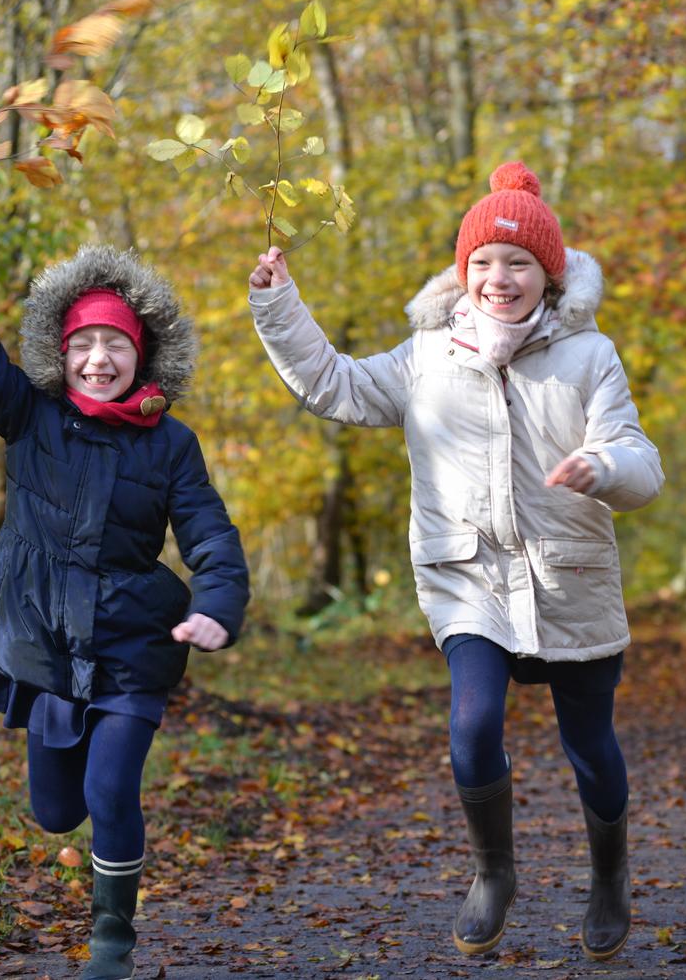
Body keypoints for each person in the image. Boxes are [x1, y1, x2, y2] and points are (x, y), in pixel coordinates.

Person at [247, 162, 662, 961]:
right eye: (483, 263)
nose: (498, 279)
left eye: (518, 264)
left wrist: (601, 467)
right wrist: (277, 304)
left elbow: (638, 458)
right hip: (468, 577)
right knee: (472, 727)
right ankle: (493, 871)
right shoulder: (427, 355)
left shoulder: (588, 356)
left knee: (592, 748)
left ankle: (609, 876)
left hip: (567, 574)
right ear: (461, 270)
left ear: (550, 273)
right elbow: (334, 385)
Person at [0, 185, 250, 980]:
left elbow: (211, 537)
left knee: (111, 784)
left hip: (134, 646)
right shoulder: (30, 416)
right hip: (48, 646)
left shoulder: (171, 445)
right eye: (85, 343)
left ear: (142, 355)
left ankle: (111, 944)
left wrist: (217, 608)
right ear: (62, 351)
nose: (100, 358)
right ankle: (91, 820)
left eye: (116, 345)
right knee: (57, 811)